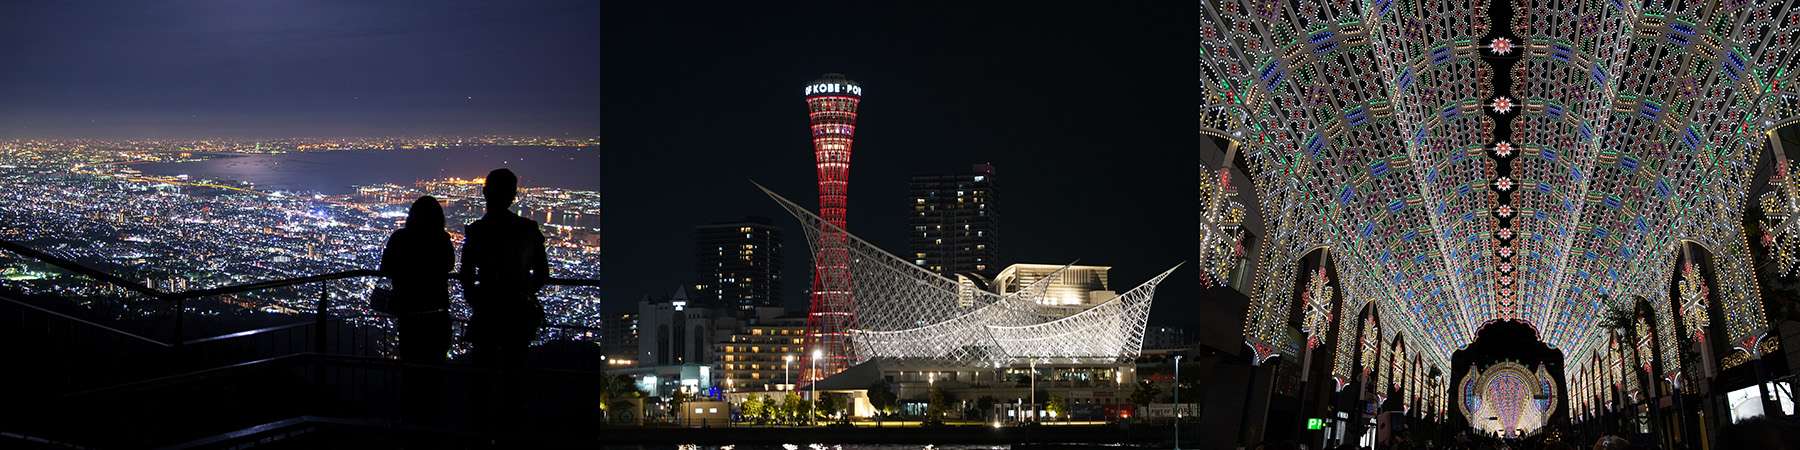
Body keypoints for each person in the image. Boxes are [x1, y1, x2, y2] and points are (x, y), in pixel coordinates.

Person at [459, 168, 549, 368]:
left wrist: (477, 299)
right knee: (514, 375)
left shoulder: (477, 232)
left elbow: (466, 274)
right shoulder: (528, 229)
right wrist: (522, 292)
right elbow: (542, 274)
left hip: (486, 313)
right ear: (513, 196)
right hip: (518, 315)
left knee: (482, 374)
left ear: (484, 193)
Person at [380, 196, 454, 363]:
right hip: (437, 311)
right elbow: (449, 266)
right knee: (436, 367)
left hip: (408, 310)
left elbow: (386, 267)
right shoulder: (442, 239)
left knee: (410, 363)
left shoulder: (400, 238)